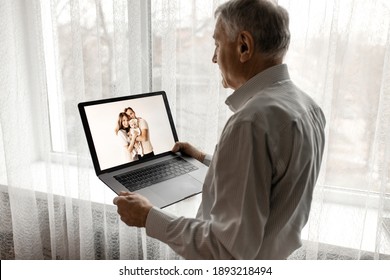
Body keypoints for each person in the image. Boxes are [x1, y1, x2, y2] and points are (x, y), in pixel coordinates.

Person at [113, 0, 326, 259]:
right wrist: (205, 159)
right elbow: (270, 180)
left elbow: (225, 250)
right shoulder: (308, 108)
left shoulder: (251, 122)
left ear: (244, 46)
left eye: (217, 44)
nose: (214, 58)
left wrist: (148, 217)